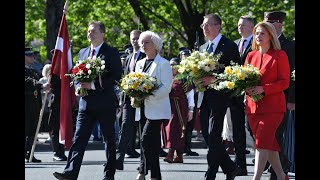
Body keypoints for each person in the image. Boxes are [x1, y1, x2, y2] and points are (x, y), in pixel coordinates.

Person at [53, 20, 122, 180]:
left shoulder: (111, 52)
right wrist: (78, 86)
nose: (90, 34)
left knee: (109, 140)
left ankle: (109, 174)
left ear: (102, 33)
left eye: (94, 31)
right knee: (79, 139)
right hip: (86, 104)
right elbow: (76, 74)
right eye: (89, 31)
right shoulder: (83, 53)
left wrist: (94, 85)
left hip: (105, 103)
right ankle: (70, 173)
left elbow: (116, 76)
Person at [198, 13, 243, 180]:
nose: (205, 28)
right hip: (204, 97)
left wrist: (215, 78)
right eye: (203, 25)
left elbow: (235, 73)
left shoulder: (229, 46)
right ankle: (230, 167)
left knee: (213, 134)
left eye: (208, 25)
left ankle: (211, 173)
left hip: (220, 97)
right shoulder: (202, 48)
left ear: (218, 26)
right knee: (208, 135)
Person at [244, 21, 290, 180]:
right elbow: (243, 79)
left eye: (262, 33)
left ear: (270, 35)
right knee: (267, 144)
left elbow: (285, 82)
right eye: (256, 33)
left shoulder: (280, 55)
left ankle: (255, 178)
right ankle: (281, 175)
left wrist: (264, 89)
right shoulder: (251, 55)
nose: (258, 36)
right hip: (253, 107)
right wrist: (246, 90)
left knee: (261, 142)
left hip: (273, 108)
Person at [135, 30, 172, 180]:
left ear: (155, 45)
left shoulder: (163, 63)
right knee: (151, 142)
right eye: (142, 42)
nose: (143, 45)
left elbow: (166, 87)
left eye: (146, 42)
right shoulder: (139, 63)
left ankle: (143, 171)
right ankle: (152, 174)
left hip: (156, 109)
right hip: (141, 108)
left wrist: (148, 94)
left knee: (145, 139)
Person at [263, 11, 295, 180]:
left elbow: (293, 74)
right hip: (263, 98)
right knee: (262, 134)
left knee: (276, 134)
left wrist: (291, 99)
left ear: (279, 24)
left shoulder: (289, 46)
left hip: (281, 97)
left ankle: (278, 171)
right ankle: (281, 164)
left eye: (270, 23)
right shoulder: (263, 44)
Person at [116, 30, 146, 171]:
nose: (135, 41)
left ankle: (144, 163)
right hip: (128, 99)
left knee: (142, 130)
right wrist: (122, 99)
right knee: (125, 128)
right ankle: (119, 159)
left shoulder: (146, 55)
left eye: (137, 39)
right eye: (133, 39)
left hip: (143, 98)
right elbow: (125, 78)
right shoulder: (128, 57)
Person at [162, 57, 195, 164]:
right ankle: (179, 156)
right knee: (169, 130)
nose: (172, 67)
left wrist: (191, 110)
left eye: (174, 65)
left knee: (177, 130)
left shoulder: (184, 79)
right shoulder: (165, 78)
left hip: (180, 108)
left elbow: (190, 96)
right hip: (168, 108)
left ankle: (170, 154)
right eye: (170, 65)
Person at [25, 47, 49, 163]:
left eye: (32, 55)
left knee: (33, 130)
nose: (32, 57)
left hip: (33, 104)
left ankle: (30, 153)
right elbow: (28, 82)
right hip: (26, 104)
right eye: (29, 55)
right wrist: (40, 86)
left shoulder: (33, 71)